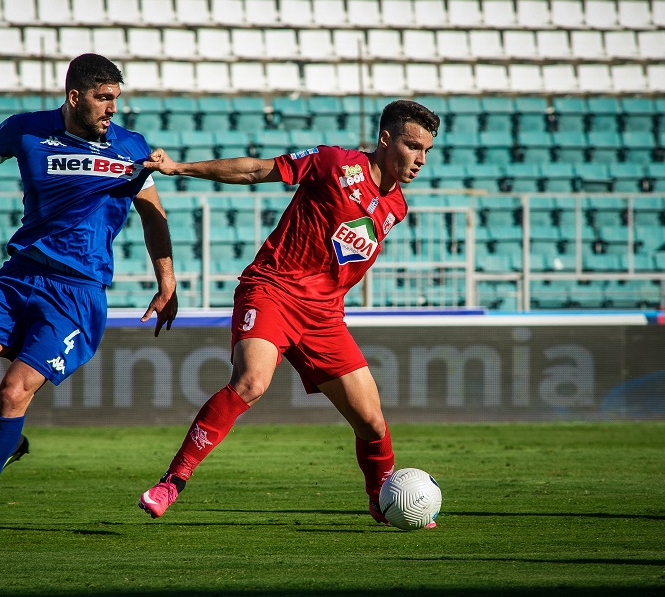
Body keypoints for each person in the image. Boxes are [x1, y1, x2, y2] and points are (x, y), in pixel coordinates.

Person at [0, 53, 178, 534]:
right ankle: (4, 440)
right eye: (103, 98)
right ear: (75, 97)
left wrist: (166, 280)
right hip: (18, 278)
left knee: (13, 391)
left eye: (116, 98)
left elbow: (153, 214)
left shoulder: (132, 148)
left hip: (76, 294)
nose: (112, 108)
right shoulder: (24, 130)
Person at [137, 99, 439, 525]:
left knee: (372, 423)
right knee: (251, 383)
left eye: (427, 151)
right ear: (385, 139)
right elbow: (257, 170)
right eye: (413, 146)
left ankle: (382, 499)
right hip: (273, 292)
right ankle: (173, 481)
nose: (420, 159)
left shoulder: (396, 208)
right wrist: (180, 167)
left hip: (325, 317)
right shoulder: (334, 162)